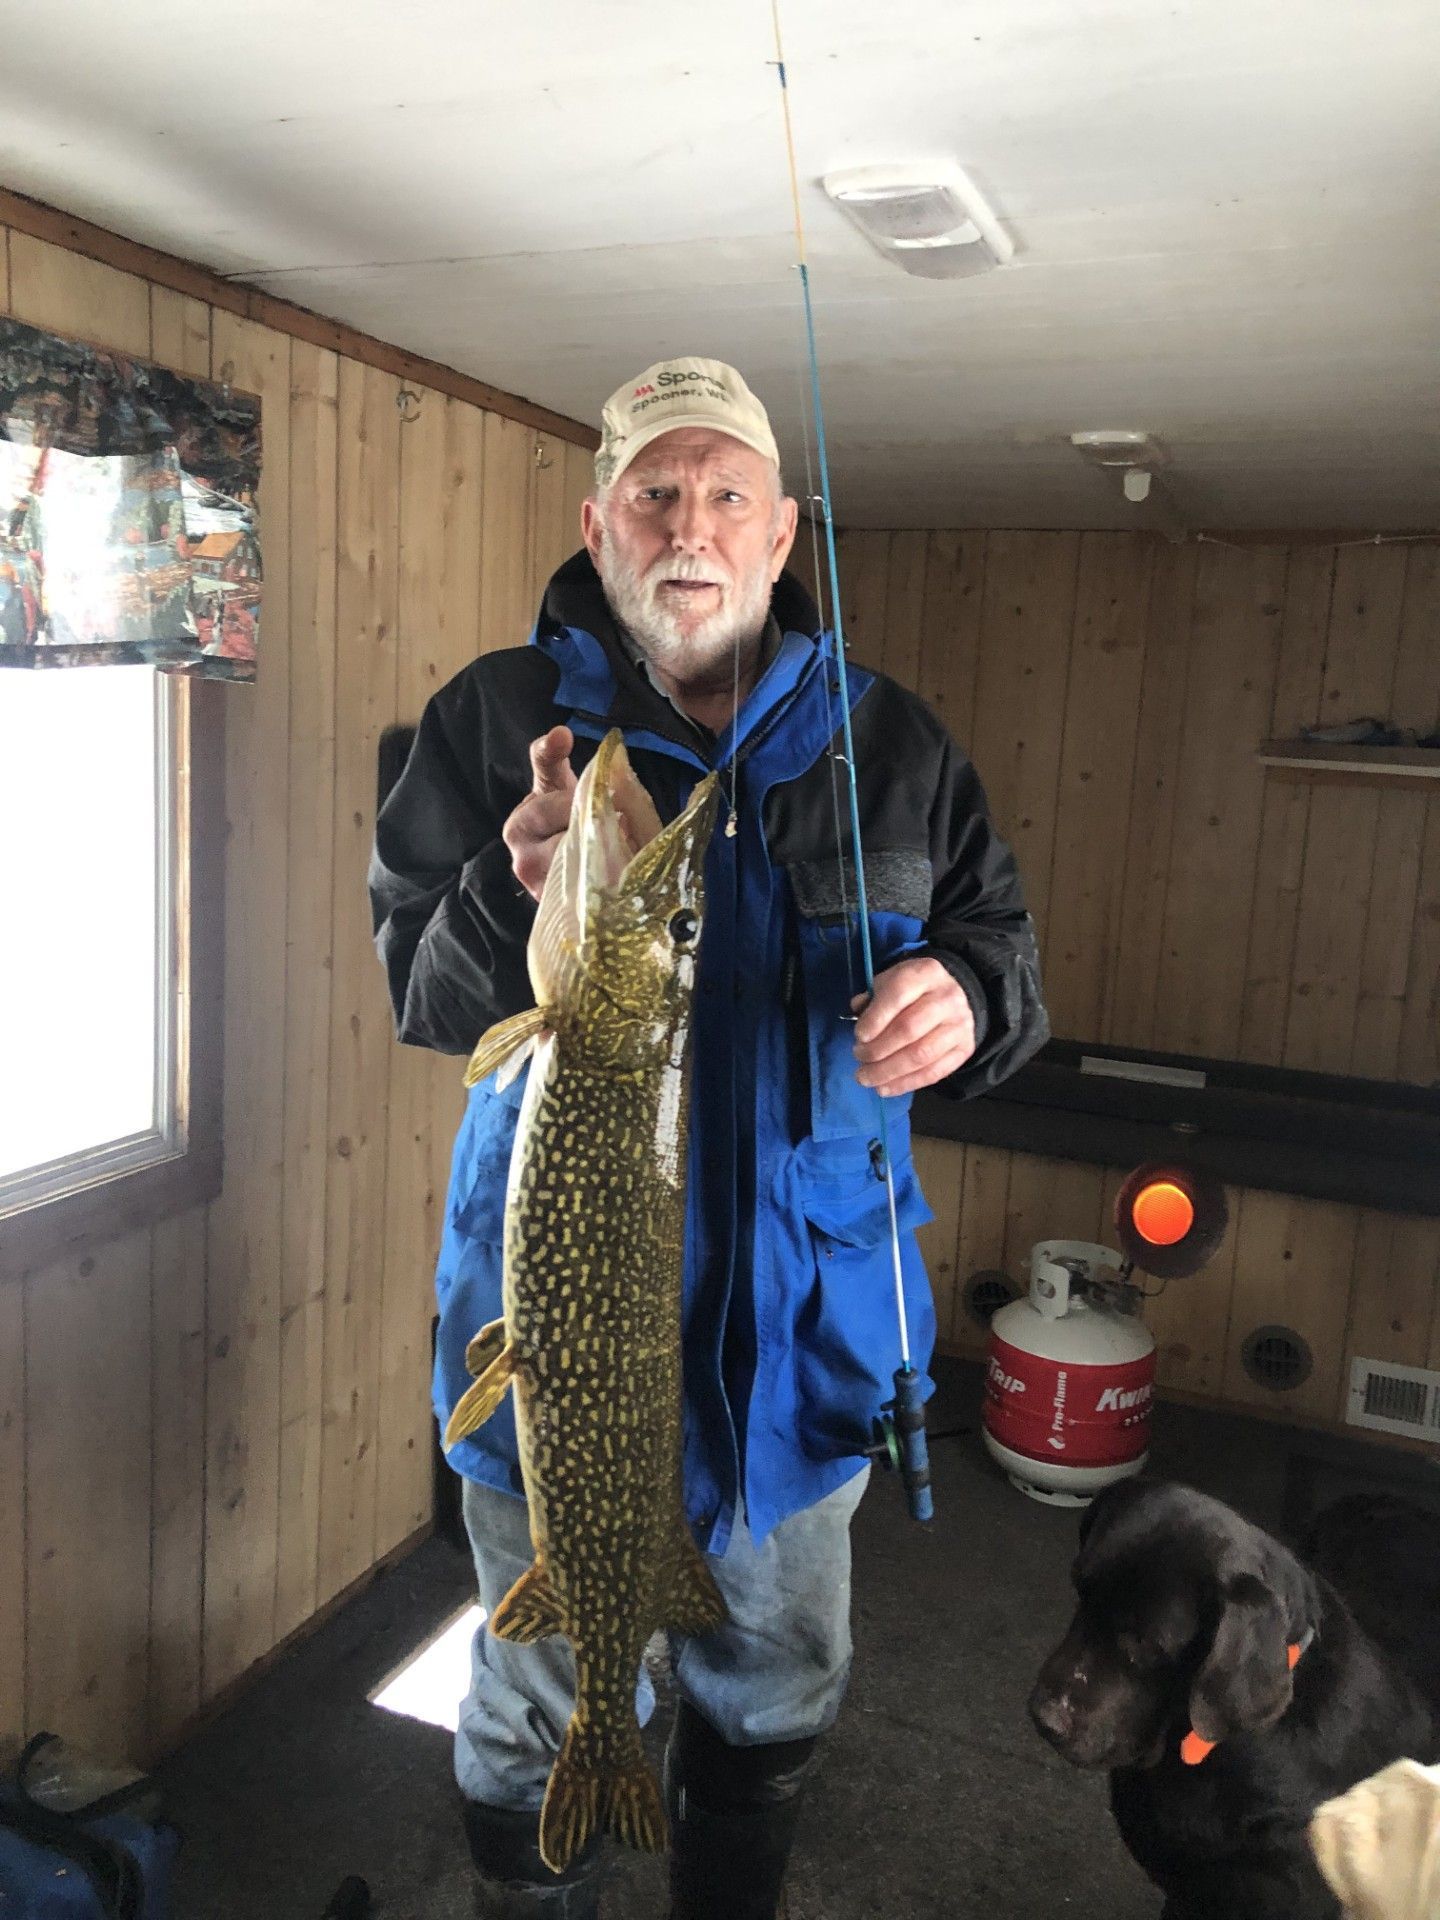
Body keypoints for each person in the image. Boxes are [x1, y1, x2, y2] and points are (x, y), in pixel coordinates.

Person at [369, 357, 1049, 1918]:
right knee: (533, 1683)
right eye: (657, 496)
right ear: (599, 523)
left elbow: (1001, 950)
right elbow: (421, 986)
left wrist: (971, 998)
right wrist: (506, 883)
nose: (694, 527)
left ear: (781, 528)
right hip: (555, 1319)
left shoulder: (892, 741)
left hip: (808, 1329)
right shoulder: (497, 720)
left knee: (778, 1674)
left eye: (727, 494)